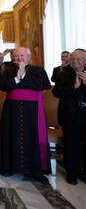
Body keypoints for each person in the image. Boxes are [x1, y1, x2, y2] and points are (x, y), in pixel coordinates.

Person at [0, 47, 51, 182]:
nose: (19, 58)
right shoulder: (8, 71)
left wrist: (23, 77)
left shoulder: (38, 70)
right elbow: (2, 86)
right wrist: (17, 77)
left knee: (33, 137)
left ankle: (36, 171)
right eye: (16, 56)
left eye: (22, 55)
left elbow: (42, 85)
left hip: (32, 111)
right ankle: (8, 166)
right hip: (12, 111)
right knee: (10, 135)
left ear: (29, 57)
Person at [52, 50, 86, 185]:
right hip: (70, 115)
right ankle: (72, 173)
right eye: (73, 59)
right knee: (71, 145)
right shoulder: (64, 74)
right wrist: (74, 87)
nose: (75, 61)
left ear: (85, 60)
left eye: (79, 59)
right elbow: (57, 92)